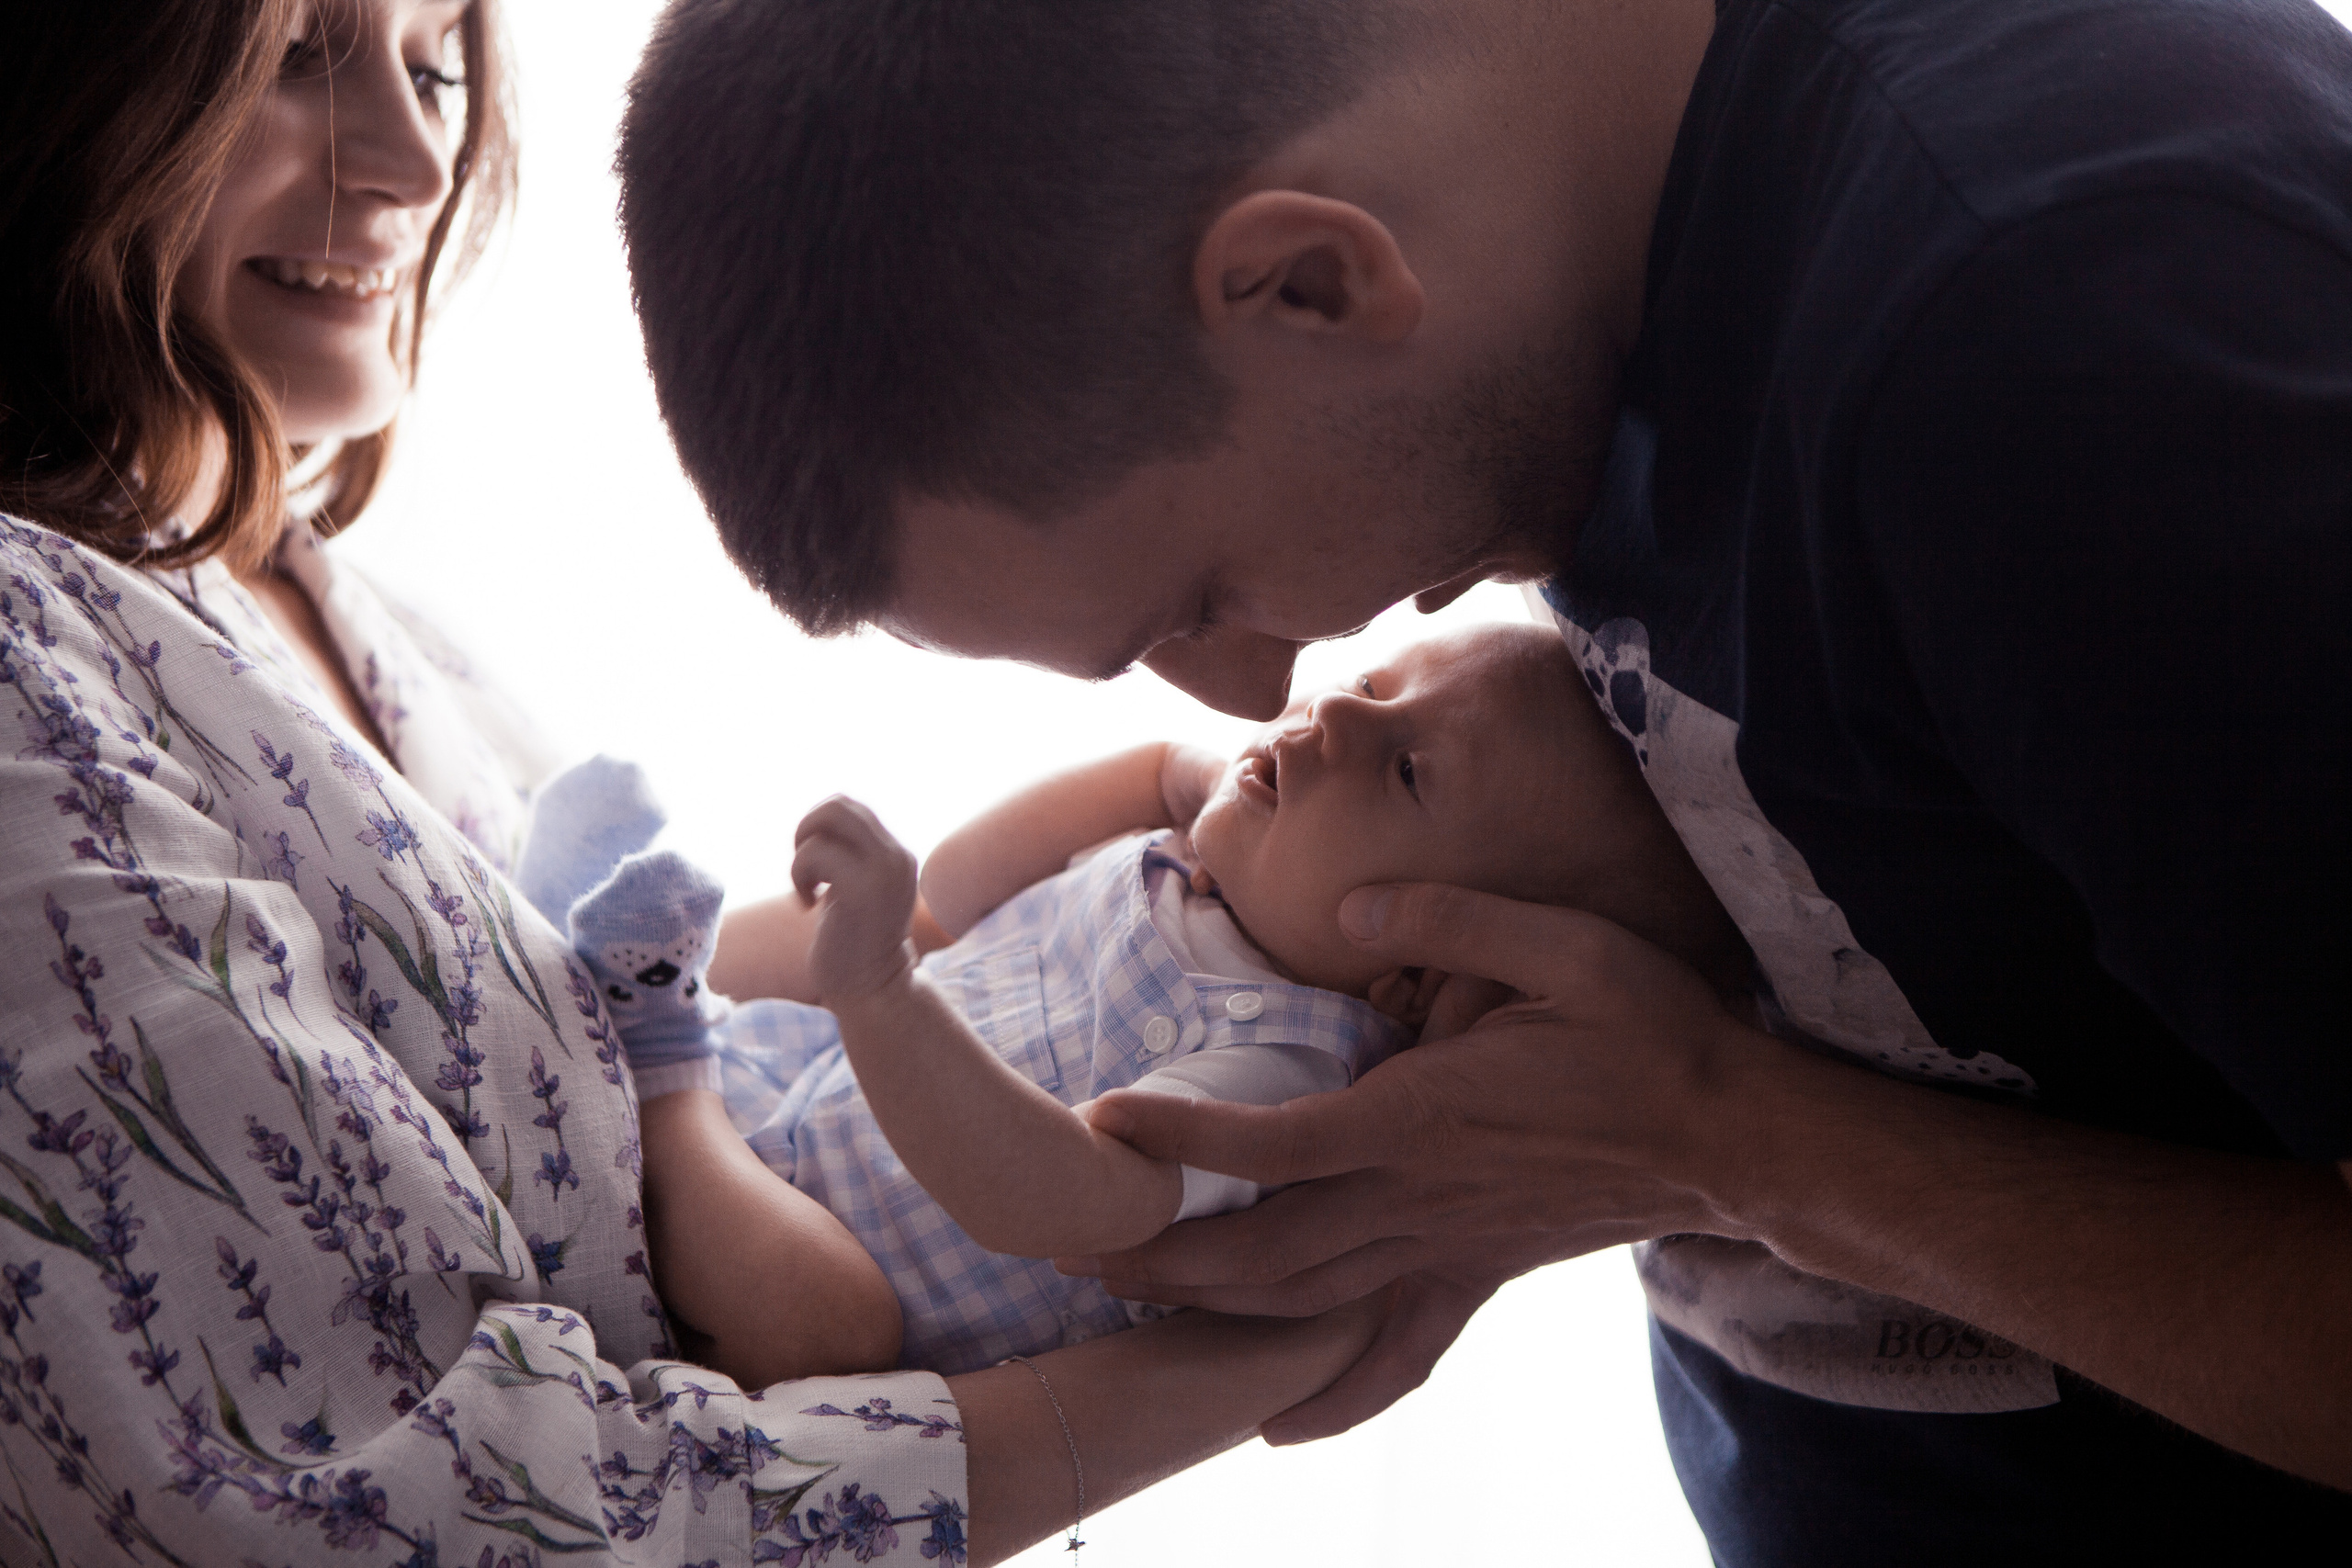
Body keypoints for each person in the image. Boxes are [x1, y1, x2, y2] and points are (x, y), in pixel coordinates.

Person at [616, 0, 2352, 1557]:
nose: (1253, 685)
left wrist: (1724, 1145)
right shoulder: (1585, 272)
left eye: (1203, 597)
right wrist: (1506, 1166)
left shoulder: (2061, 315)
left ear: (1312, 281)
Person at [0, 5, 1392, 1563]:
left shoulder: (360, 623)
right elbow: (402, 1516)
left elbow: (642, 1028)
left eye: (436, 61)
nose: (408, 159)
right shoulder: (22, 659)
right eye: (297, 59)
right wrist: (1297, 1329)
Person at [583, 624, 1742, 1386]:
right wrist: (1165, 776)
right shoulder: (1188, 864)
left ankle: (662, 1048)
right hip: (793, 1097)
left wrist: (881, 989)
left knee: (827, 1321)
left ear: (1420, 972)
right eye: (1381, 682)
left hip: (804, 1274)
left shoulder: (1289, 1070)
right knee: (808, 947)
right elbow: (952, 901)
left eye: (1406, 770)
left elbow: (1069, 1200)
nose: (1332, 714)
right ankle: (608, 953)